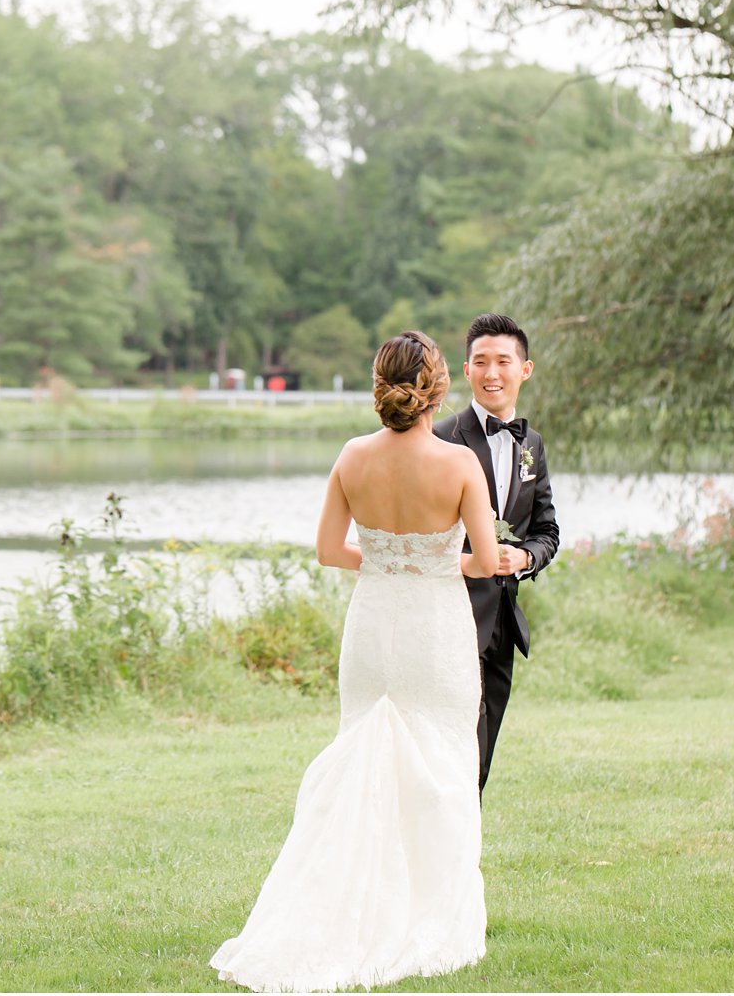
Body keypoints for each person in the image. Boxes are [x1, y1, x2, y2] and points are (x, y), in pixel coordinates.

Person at [211, 331, 498, 993]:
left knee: (364, 754)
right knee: (441, 763)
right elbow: (484, 563)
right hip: (432, 625)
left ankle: (352, 905)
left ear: (380, 385)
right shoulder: (458, 465)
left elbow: (329, 550)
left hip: (372, 625)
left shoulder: (351, 456)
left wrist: (392, 560)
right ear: (438, 387)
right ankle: (429, 916)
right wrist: (436, 560)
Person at [433, 313, 560, 794]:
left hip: (502, 621)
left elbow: (547, 530)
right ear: (466, 370)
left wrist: (524, 558)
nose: (492, 373)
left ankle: (462, 859)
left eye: (503, 362)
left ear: (524, 370)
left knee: (481, 760)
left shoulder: (532, 445)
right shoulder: (441, 439)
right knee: (452, 749)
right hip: (450, 617)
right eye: (481, 362)